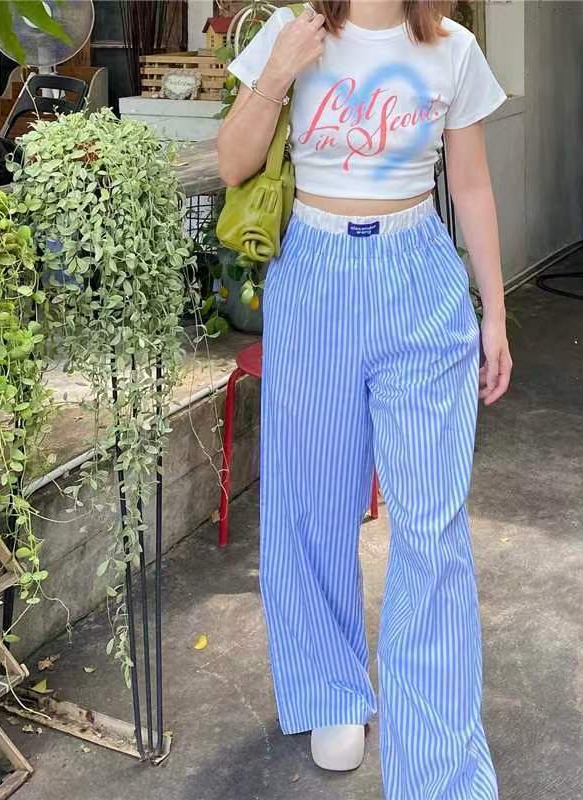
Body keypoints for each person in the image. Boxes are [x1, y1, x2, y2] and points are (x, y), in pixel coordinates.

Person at [218, 1, 511, 796]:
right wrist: (279, 73)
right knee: (310, 505)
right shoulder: (291, 31)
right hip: (312, 275)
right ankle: (331, 690)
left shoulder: (453, 47)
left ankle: (440, 767)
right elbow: (232, 163)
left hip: (419, 275)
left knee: (432, 528)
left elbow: (472, 185)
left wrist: (494, 312)